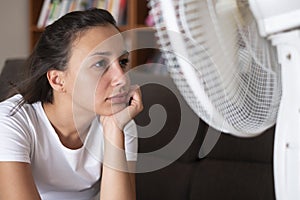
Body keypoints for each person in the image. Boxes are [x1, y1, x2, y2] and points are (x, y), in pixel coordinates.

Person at [0, 8, 143, 200]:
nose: (121, 79)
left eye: (123, 62)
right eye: (100, 64)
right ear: (58, 80)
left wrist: (114, 131)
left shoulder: (121, 124)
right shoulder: (11, 122)